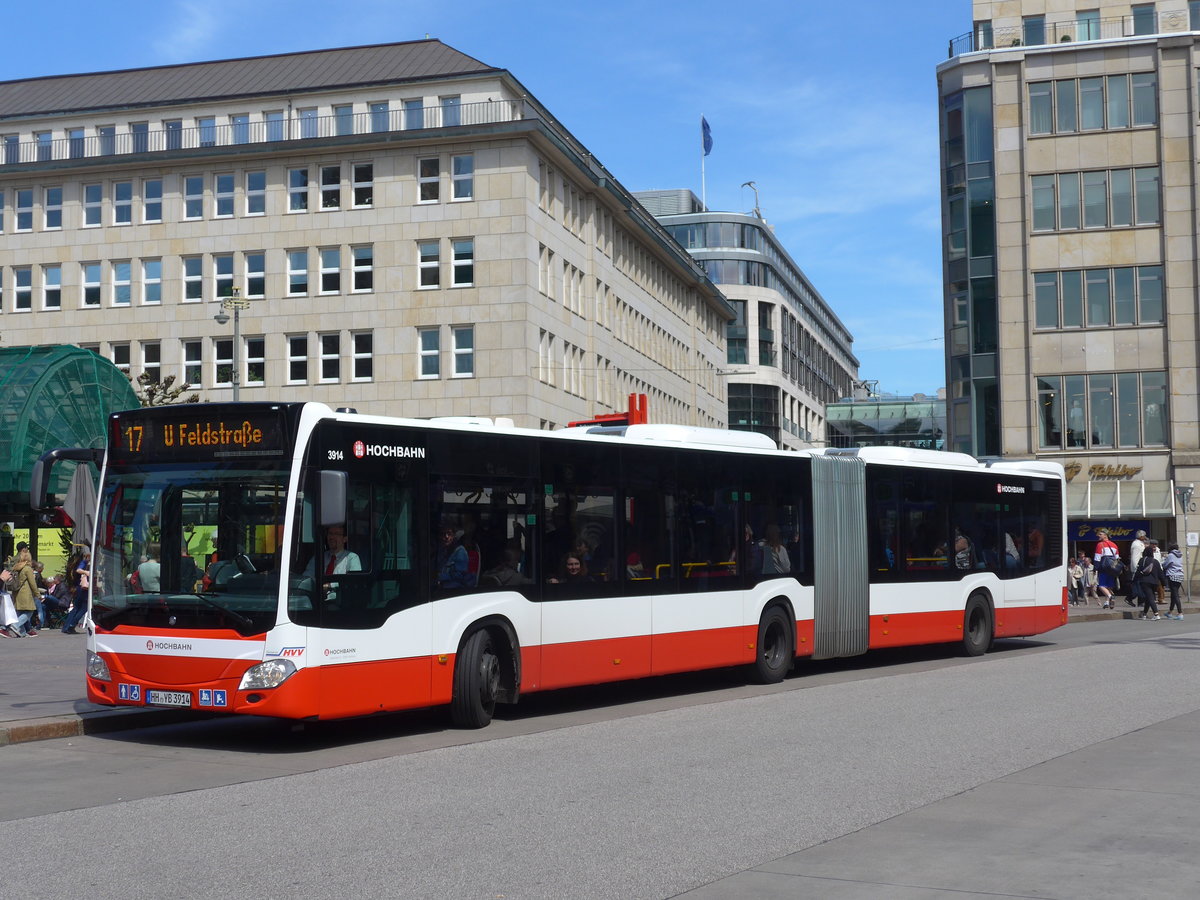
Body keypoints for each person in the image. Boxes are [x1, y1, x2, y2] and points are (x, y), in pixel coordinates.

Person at [4, 547, 40, 637]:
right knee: (29, 612)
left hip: (16, 592)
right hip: (25, 593)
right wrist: (38, 594)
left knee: (20, 612)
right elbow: (32, 583)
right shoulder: (27, 568)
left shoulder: (16, 567)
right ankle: (15, 625)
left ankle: (22, 632)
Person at [62, 547, 92, 634]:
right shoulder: (88, 563)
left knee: (76, 608)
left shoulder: (83, 562)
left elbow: (78, 570)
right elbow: (78, 570)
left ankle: (66, 627)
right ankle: (71, 625)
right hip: (85, 589)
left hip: (80, 588)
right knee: (83, 608)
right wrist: (87, 572)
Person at [1133, 547, 1163, 620]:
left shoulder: (1142, 560)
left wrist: (1134, 579)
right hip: (1155, 582)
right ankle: (1144, 614)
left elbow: (1138, 570)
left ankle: (1156, 614)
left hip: (1145, 581)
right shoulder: (1156, 561)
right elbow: (1160, 573)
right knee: (1148, 598)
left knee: (1150, 598)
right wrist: (1164, 582)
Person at [1093, 529, 1120, 609]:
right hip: (1112, 569)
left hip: (1103, 567)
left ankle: (1110, 596)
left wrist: (1095, 568)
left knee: (1101, 585)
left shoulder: (1100, 544)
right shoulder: (1114, 545)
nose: (1098, 535)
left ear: (1105, 535)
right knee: (1108, 586)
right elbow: (1117, 558)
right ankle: (1107, 602)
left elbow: (1097, 558)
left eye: (1100, 534)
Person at [1163, 543, 1185, 620]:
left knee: (1175, 594)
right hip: (1180, 575)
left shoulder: (1171, 555)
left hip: (1172, 575)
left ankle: (1180, 613)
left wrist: (1163, 563)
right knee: (1173, 594)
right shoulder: (1180, 555)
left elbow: (1166, 564)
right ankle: (1170, 612)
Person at [1126, 530, 1148, 606]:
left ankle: (1140, 601)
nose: (1145, 537)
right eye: (1144, 535)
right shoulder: (1136, 545)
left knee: (1140, 585)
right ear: (1141, 536)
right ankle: (1130, 598)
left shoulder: (1141, 543)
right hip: (1138, 568)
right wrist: (1136, 569)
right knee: (1138, 585)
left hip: (1141, 567)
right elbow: (1135, 558)